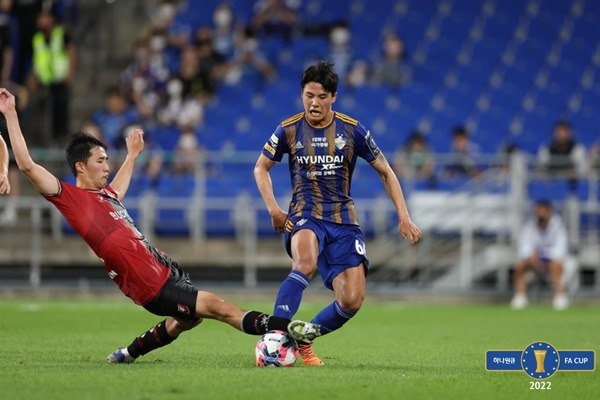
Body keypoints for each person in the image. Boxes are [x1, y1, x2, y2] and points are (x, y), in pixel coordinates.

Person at [0, 87, 320, 364]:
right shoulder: (71, 198)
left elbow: (119, 187)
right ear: (80, 167)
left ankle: (128, 353)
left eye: (107, 160)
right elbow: (27, 165)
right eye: (101, 161)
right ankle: (285, 329)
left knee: (186, 320)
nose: (107, 166)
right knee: (217, 307)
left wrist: (132, 156)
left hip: (164, 267)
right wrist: (11, 113)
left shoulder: (108, 196)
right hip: (149, 285)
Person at [254, 61, 422, 365]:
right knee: (304, 263)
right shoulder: (289, 129)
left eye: (320, 96)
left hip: (344, 221)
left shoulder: (353, 130)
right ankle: (275, 336)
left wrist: (404, 215)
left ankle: (303, 338)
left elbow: (386, 171)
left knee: (352, 300)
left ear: (333, 96)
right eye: (308, 96)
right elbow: (261, 167)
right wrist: (274, 210)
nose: (313, 103)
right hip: (305, 214)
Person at [510, 200, 570, 310]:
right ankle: (520, 296)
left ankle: (560, 296)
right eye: (538, 211)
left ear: (549, 211)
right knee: (519, 267)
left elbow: (561, 249)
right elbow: (524, 245)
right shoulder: (529, 225)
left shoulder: (558, 225)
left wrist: (543, 257)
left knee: (556, 266)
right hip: (534, 260)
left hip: (552, 260)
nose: (540, 214)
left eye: (543, 211)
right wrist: (530, 256)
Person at [29, 10, 76, 143]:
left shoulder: (61, 33)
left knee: (61, 107)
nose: (40, 21)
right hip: (45, 80)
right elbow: (37, 58)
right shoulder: (37, 37)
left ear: (51, 18)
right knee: (45, 110)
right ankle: (48, 139)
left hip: (61, 78)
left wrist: (70, 74)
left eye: (43, 17)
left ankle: (62, 137)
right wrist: (35, 76)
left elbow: (71, 52)